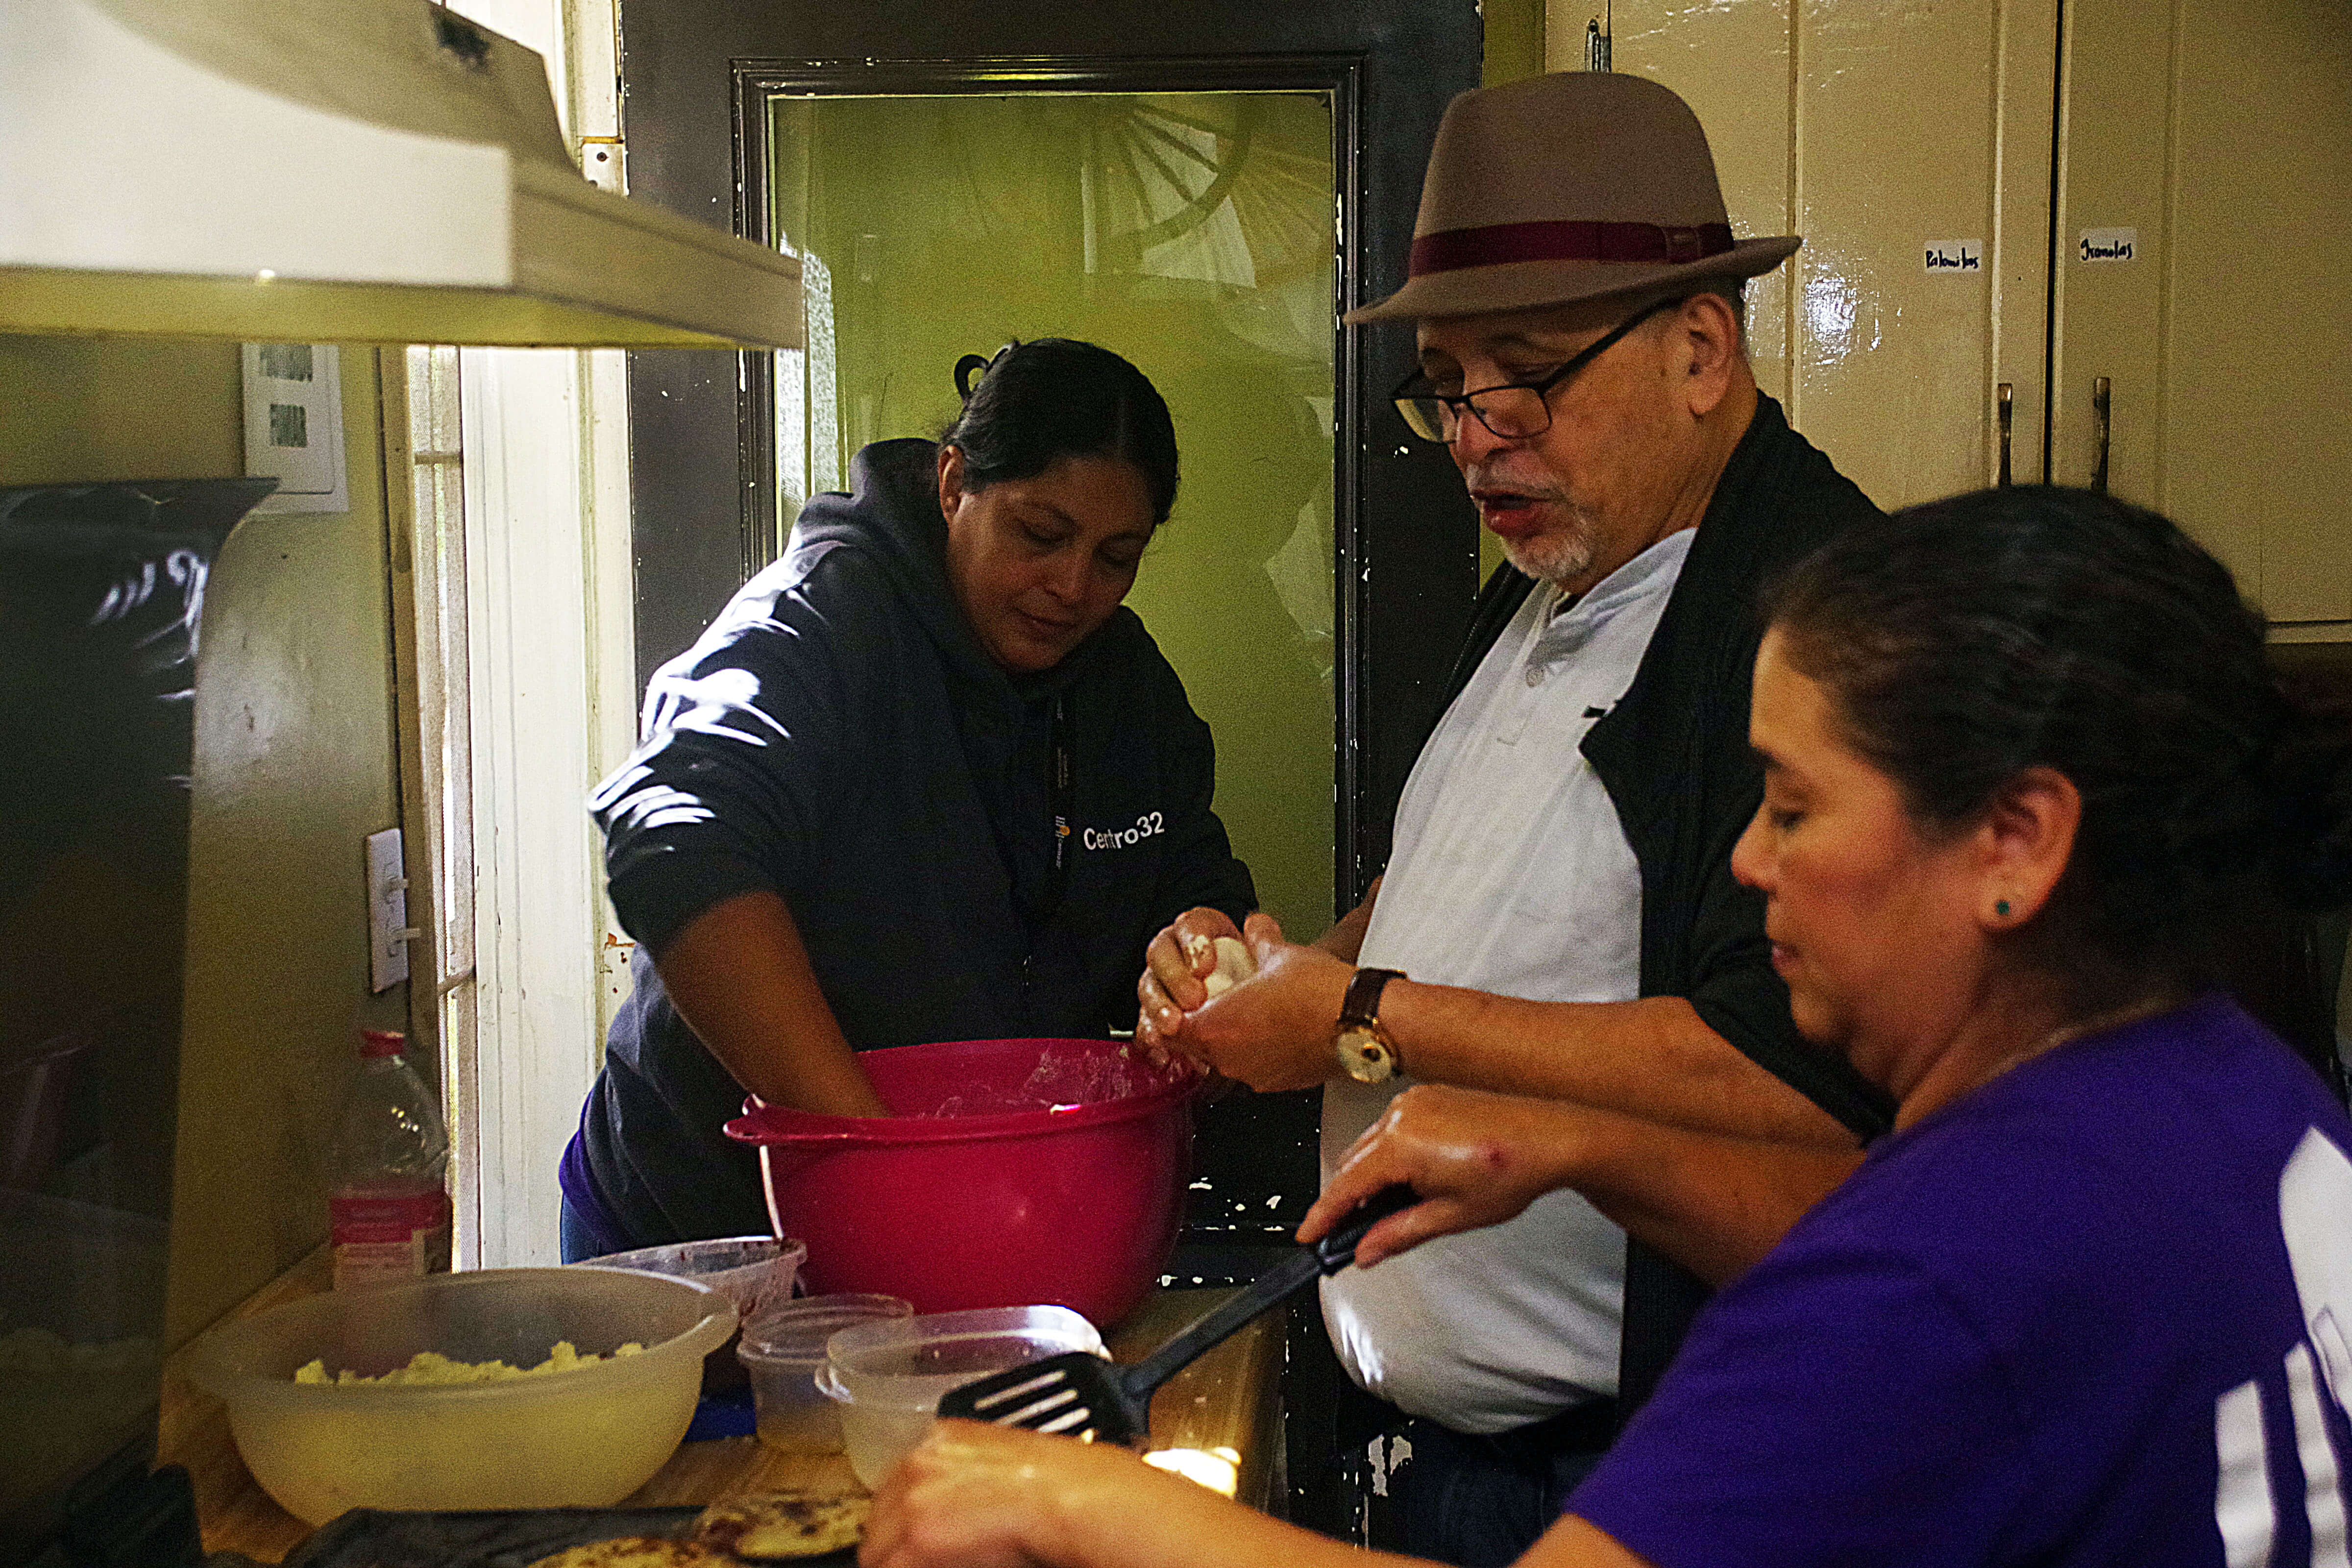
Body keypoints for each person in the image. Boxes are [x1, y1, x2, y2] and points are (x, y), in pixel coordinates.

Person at [864, 484, 2352, 1568]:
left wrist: (1076, 1503)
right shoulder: (2252, 1104)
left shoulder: (1927, 1277)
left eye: (1792, 804)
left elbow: (1927, 1293)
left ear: (2016, 843)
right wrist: (1586, 1148)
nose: (1751, 862)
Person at [1134, 71, 1886, 1560]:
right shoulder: (1549, 587)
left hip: (1627, 1477)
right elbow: (1438, 893)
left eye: (1527, 374)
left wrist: (1363, 1011)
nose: (1477, 435)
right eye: (1449, 385)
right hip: (1443, 1454)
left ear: (1699, 348)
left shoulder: (1814, 623)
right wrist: (1273, 978)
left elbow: (1794, 1077)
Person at [562, 338, 1255, 1257]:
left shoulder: (1128, 688)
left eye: (1117, 557)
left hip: (986, 1226)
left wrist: (1201, 966)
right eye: (1041, 535)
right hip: (706, 1236)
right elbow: (676, 840)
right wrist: (871, 1158)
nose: (1074, 587)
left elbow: (1193, 882)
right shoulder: (816, 627)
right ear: (953, 483)